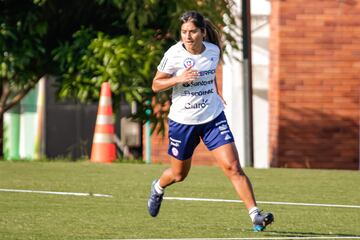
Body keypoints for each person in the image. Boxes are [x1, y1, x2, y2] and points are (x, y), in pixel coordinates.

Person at [147, 10, 274, 232]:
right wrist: (179, 78)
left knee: (233, 166)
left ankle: (255, 215)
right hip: (183, 122)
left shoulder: (213, 51)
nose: (187, 36)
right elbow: (156, 85)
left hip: (213, 118)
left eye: (192, 31)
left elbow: (209, 73)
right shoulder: (174, 54)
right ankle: (158, 187)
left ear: (202, 33)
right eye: (184, 32)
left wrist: (215, 92)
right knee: (179, 174)